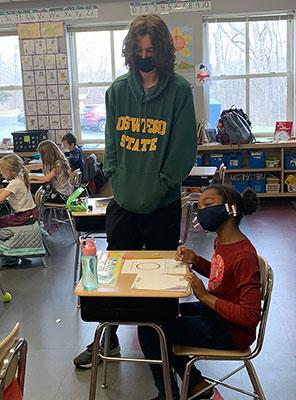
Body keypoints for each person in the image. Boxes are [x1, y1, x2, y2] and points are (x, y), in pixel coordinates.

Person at [73, 13, 197, 369]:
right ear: (131, 51)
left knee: (158, 284)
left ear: (162, 52)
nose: (145, 56)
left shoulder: (179, 92)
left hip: (163, 205)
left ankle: (162, 346)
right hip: (124, 203)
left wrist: (158, 186)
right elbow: (110, 143)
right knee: (113, 281)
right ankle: (106, 338)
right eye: (139, 49)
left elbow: (182, 151)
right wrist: (119, 177)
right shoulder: (117, 91)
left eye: (151, 50)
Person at [137, 184, 262, 400]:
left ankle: (173, 393)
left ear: (229, 209)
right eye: (200, 205)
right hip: (215, 314)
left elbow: (251, 317)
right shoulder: (222, 241)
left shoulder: (244, 256)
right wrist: (196, 261)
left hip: (231, 332)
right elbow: (220, 273)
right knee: (159, 314)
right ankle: (198, 387)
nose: (201, 211)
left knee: (152, 330)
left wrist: (204, 296)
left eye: (208, 205)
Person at [0, 154, 39, 266]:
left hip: (24, 216)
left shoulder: (14, 183)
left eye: (2, 171)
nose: (1, 173)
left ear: (10, 172)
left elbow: (1, 198)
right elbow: (4, 192)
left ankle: (10, 255)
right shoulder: (20, 177)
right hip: (30, 213)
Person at [25, 140, 71, 204]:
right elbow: (37, 166)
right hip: (61, 193)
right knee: (33, 188)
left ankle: (34, 210)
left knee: (32, 190)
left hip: (61, 196)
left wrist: (33, 176)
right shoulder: (54, 162)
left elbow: (47, 178)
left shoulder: (58, 164)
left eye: (41, 154)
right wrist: (24, 168)